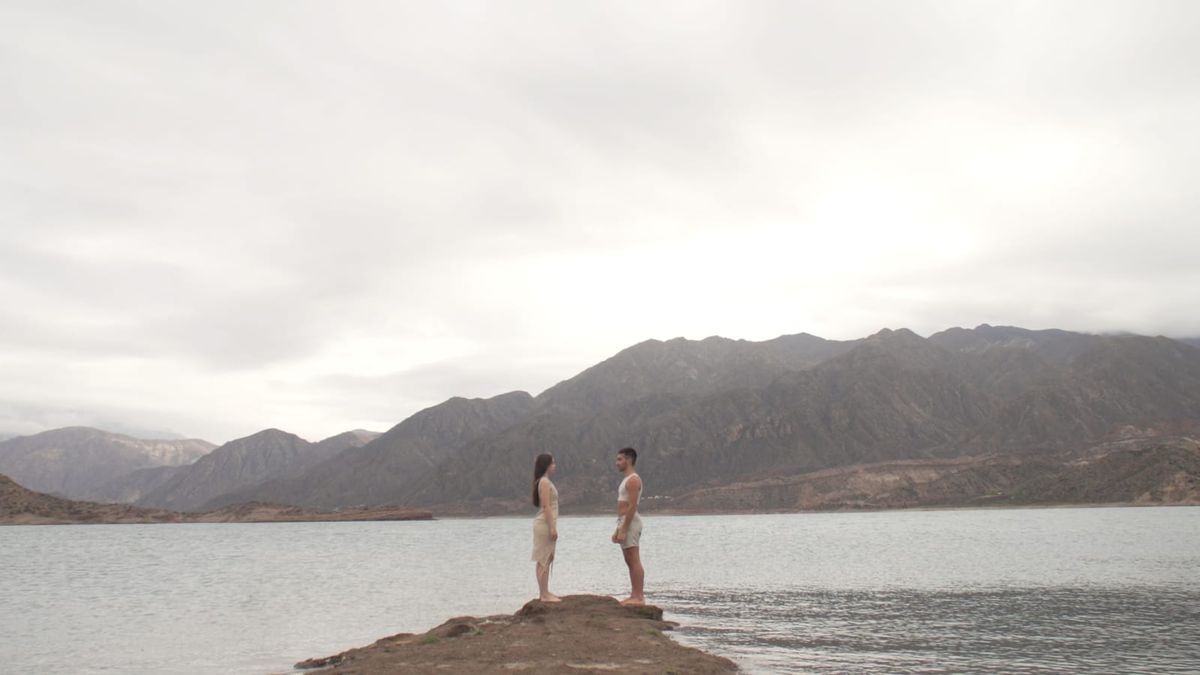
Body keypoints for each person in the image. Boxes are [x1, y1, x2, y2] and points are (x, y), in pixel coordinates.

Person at [611, 446, 645, 606]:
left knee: (634, 558)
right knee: (628, 560)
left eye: (620, 459)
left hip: (631, 523)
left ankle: (639, 597)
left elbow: (632, 507)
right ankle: (634, 594)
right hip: (624, 521)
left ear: (629, 460)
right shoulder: (626, 479)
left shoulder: (634, 480)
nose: (616, 463)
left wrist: (624, 528)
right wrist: (618, 528)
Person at [531, 453, 561, 602]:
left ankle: (545, 591)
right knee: (543, 558)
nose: (555, 465)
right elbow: (546, 506)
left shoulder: (545, 481)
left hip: (546, 523)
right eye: (553, 463)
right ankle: (544, 594)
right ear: (546, 465)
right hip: (544, 524)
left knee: (546, 558)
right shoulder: (544, 482)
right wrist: (552, 528)